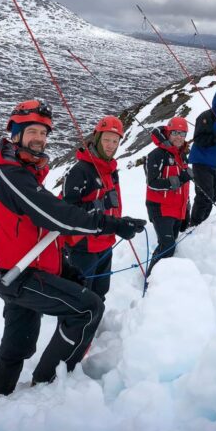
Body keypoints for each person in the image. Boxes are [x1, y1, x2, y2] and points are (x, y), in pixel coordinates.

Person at [0, 100, 146, 406]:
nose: (39, 138)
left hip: (26, 266)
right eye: (31, 131)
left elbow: (38, 229)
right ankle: (47, 392)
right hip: (16, 273)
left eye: (43, 133)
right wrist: (111, 224)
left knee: (18, 345)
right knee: (86, 309)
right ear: (14, 134)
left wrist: (63, 265)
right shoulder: (9, 176)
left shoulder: (24, 172)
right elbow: (57, 217)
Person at [61, 116, 124, 302]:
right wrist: (100, 204)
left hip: (105, 243)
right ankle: (73, 331)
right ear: (96, 138)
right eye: (106, 139)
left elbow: (114, 206)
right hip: (83, 246)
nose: (111, 145)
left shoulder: (111, 169)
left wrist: (120, 223)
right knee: (80, 298)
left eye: (115, 141)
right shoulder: (80, 171)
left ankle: (93, 329)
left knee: (100, 294)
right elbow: (67, 211)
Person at [144, 117, 192, 277]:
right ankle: (151, 279)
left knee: (168, 245)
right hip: (160, 208)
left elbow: (185, 186)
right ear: (168, 133)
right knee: (167, 245)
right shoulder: (156, 155)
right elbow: (152, 182)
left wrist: (187, 207)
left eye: (183, 133)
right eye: (175, 133)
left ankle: (161, 277)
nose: (179, 137)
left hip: (177, 209)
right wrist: (178, 180)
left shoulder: (181, 155)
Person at [187, 87, 216, 226]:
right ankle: (194, 224)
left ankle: (201, 224)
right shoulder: (206, 117)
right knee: (205, 195)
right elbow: (199, 140)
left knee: (213, 197)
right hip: (202, 163)